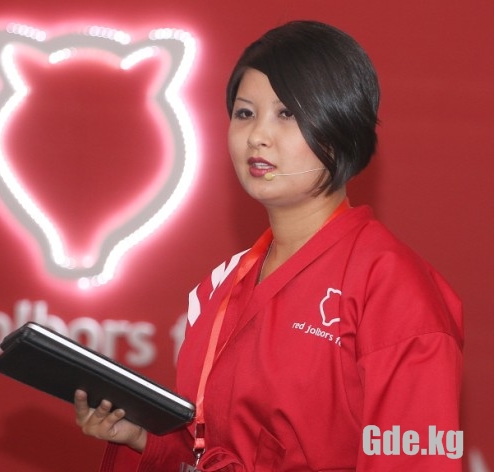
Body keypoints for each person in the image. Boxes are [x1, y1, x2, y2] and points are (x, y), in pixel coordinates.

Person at [74, 20, 464, 471]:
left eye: (287, 114)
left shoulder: (393, 288)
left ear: (340, 127)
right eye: (245, 113)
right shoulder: (221, 286)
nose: (257, 135)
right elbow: (213, 448)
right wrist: (144, 439)